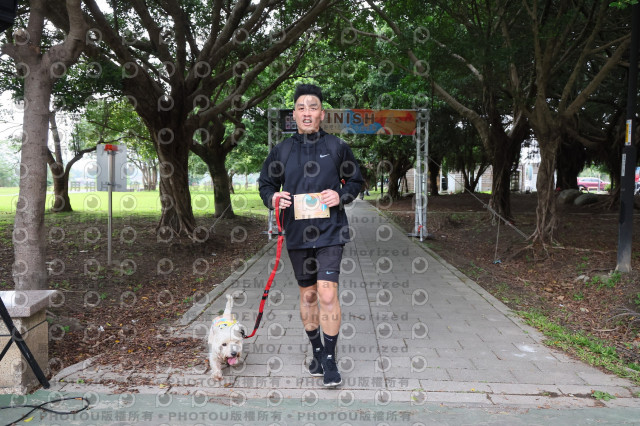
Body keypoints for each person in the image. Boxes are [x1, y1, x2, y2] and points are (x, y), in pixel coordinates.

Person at [258, 84, 363, 387]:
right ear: (294, 114)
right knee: (309, 295)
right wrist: (273, 198)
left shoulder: (337, 147)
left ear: (322, 114)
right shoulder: (282, 150)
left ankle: (329, 359)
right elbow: (266, 184)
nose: (307, 113)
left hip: (331, 231)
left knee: (327, 294)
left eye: (313, 107)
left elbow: (356, 180)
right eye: (301, 108)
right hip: (297, 233)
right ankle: (316, 351)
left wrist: (341, 195)